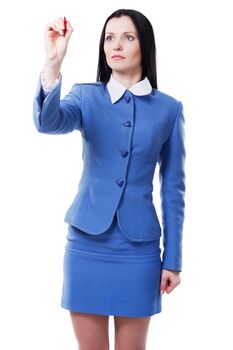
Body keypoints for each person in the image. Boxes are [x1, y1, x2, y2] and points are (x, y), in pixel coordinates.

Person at [33, 8, 186, 350]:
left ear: (145, 46)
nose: (116, 44)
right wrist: (53, 63)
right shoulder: (86, 97)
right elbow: (48, 122)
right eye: (109, 37)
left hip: (139, 251)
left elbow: (173, 190)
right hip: (87, 244)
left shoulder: (169, 109)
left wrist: (172, 260)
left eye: (127, 37)